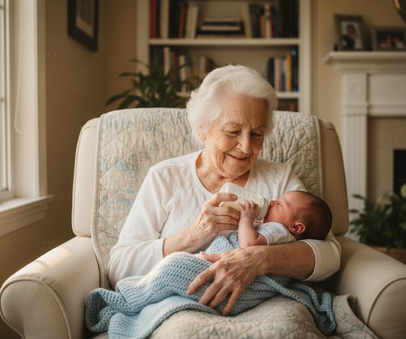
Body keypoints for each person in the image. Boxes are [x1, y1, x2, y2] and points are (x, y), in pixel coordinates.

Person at [108, 64, 341, 317]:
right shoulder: (165, 178)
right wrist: (192, 236)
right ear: (202, 129)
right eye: (233, 131)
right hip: (181, 307)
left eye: (257, 134)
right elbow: (119, 267)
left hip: (263, 309)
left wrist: (257, 259)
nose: (246, 146)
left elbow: (329, 255)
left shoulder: (280, 179)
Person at [237, 191, 332, 248]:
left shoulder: (279, 230)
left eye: (280, 204)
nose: (272, 202)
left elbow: (249, 244)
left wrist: (246, 218)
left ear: (296, 227)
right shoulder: (277, 231)